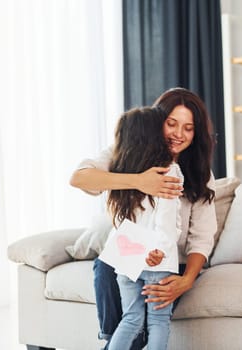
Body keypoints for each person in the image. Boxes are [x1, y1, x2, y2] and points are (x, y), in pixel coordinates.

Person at [70, 87, 217, 349]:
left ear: (196, 134)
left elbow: (202, 239)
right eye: (171, 124)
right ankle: (112, 340)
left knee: (144, 320)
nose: (178, 134)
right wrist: (139, 181)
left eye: (188, 128)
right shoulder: (124, 154)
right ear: (156, 122)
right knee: (105, 267)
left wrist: (186, 281)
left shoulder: (198, 174)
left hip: (169, 261)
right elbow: (80, 178)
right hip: (130, 255)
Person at [100, 106, 182, 350]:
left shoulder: (121, 172)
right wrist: (160, 251)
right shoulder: (169, 170)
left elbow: (120, 220)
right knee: (158, 321)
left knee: (131, 318)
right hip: (156, 258)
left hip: (125, 256)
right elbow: (165, 221)